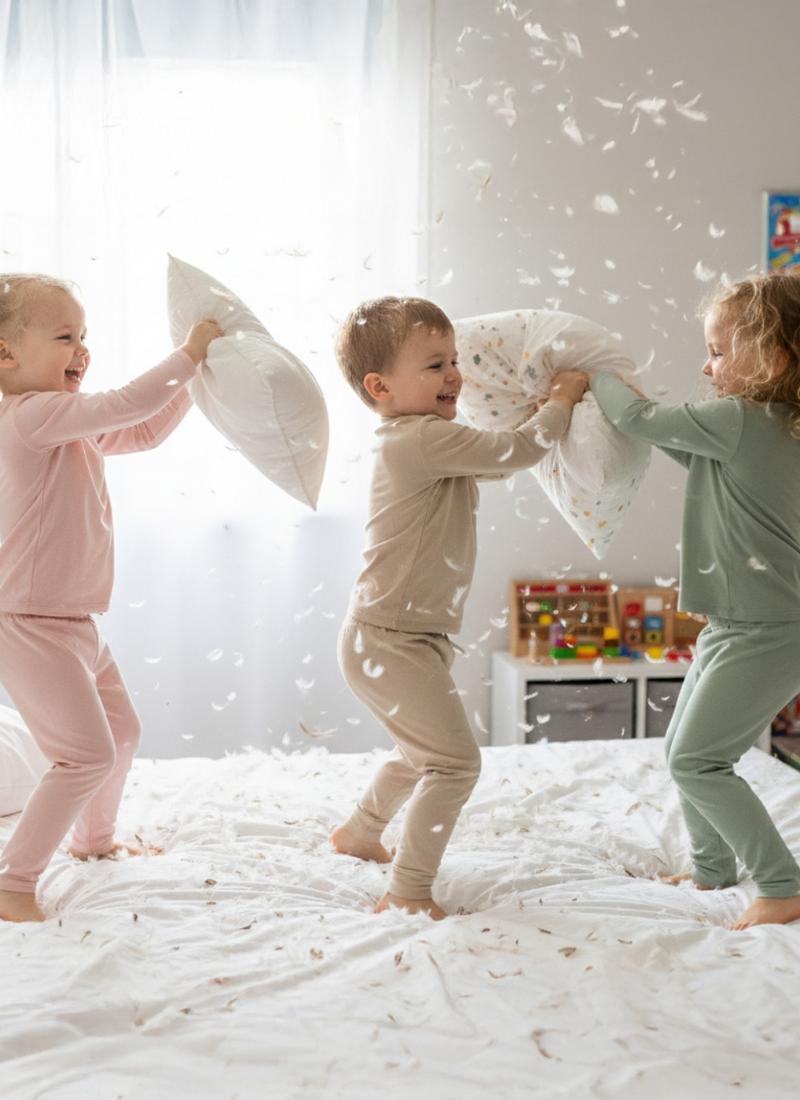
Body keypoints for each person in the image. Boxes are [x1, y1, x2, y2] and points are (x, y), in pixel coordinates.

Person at [330, 296, 587, 919]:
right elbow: (518, 453)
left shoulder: (425, 439)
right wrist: (561, 399)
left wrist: (529, 416)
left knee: (423, 753)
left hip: (397, 636)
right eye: (435, 365)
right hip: (391, 637)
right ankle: (409, 891)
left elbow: (496, 463)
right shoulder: (418, 440)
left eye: (453, 361)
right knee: (454, 764)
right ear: (380, 386)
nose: (454, 376)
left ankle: (360, 833)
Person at [563, 270, 800, 930]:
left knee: (698, 759)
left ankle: (783, 885)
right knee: (685, 751)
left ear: (773, 359)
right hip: (745, 622)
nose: (707, 364)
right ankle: (712, 868)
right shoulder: (771, 428)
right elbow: (683, 451)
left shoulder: (740, 419)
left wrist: (595, 375)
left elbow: (637, 419)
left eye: (720, 351)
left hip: (765, 626)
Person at [0, 273, 224, 923]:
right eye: (65, 336)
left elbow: (141, 430)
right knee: (84, 754)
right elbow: (124, 403)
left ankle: (93, 842)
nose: (82, 349)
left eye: (85, 337)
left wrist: (198, 382)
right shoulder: (28, 416)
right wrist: (190, 357)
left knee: (121, 733)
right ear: (5, 354)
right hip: (28, 621)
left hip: (74, 619)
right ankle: (14, 879)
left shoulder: (64, 425)